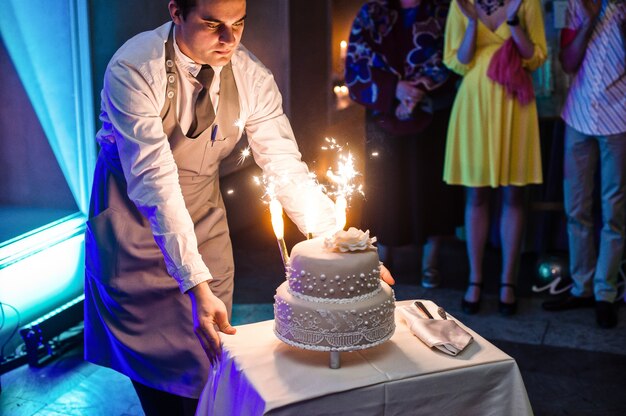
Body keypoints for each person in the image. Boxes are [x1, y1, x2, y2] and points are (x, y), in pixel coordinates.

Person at [84, 0, 395, 414]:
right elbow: (154, 182)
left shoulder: (251, 75)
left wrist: (340, 245)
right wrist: (195, 283)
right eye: (213, 25)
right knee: (159, 380)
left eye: (238, 24)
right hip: (133, 222)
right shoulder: (134, 68)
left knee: (209, 365)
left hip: (204, 216)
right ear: (176, 12)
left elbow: (284, 165)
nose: (229, 39)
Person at [345, 0, 463, 289]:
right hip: (384, 113)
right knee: (385, 188)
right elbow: (357, 62)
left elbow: (454, 57)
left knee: (432, 189)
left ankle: (430, 263)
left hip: (433, 112)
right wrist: (395, 89)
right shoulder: (373, 11)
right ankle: (384, 261)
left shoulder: (444, 10)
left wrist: (417, 92)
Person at [443, 0, 547, 315]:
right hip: (474, 104)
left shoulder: (527, 2)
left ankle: (507, 281)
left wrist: (513, 21)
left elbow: (536, 57)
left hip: (516, 103)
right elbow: (456, 61)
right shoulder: (461, 4)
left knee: (514, 194)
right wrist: (473, 22)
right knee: (476, 195)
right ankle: (475, 279)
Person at [542, 0, 625, 328]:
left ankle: (605, 292)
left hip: (619, 116)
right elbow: (567, 62)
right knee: (576, 208)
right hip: (578, 114)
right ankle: (582, 287)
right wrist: (589, 21)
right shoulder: (573, 4)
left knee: (614, 210)